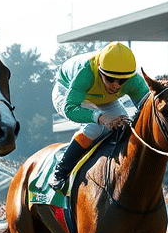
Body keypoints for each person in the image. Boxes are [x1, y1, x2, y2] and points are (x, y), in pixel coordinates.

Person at [49, 42, 150, 194]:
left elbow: (149, 109)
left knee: (124, 125)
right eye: (110, 79)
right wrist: (101, 118)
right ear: (100, 70)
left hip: (103, 98)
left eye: (122, 81)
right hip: (68, 91)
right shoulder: (86, 72)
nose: (116, 85)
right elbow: (70, 109)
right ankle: (60, 171)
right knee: (95, 127)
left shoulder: (134, 80)